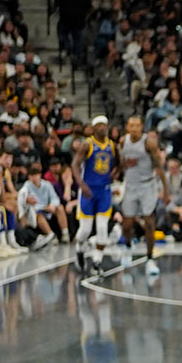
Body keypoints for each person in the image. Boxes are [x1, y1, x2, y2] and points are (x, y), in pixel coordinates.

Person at [120, 115, 169, 276]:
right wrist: (124, 165)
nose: (134, 128)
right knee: (126, 224)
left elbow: (159, 166)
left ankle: (150, 259)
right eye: (131, 125)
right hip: (130, 185)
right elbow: (120, 164)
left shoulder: (149, 143)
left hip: (148, 185)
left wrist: (166, 190)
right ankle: (128, 248)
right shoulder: (123, 142)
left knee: (149, 223)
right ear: (127, 127)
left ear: (142, 127)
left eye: (137, 125)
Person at [70, 114, 119, 271]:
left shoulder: (112, 145)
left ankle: (97, 261)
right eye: (99, 125)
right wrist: (81, 184)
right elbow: (75, 165)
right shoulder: (87, 144)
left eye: (104, 125)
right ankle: (79, 248)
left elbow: (121, 162)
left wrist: (116, 172)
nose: (102, 128)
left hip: (104, 190)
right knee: (85, 229)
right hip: (88, 190)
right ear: (93, 128)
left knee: (103, 227)